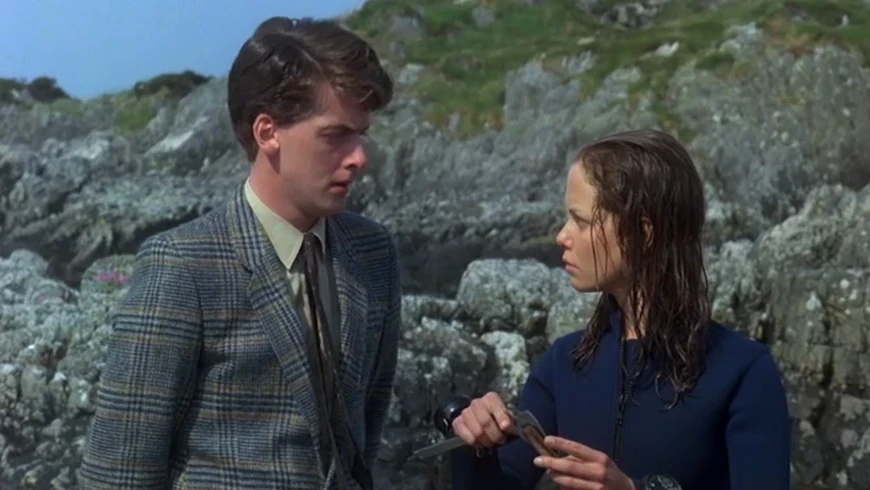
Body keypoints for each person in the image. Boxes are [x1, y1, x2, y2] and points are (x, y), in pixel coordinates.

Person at [78, 17, 400, 490]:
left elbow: (361, 440)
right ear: (268, 132)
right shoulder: (182, 266)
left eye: (361, 134)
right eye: (335, 135)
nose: (359, 157)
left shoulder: (373, 254)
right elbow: (118, 472)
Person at [446, 129, 791, 490]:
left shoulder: (741, 373)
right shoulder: (564, 364)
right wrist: (476, 443)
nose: (562, 236)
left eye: (581, 221)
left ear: (642, 232)